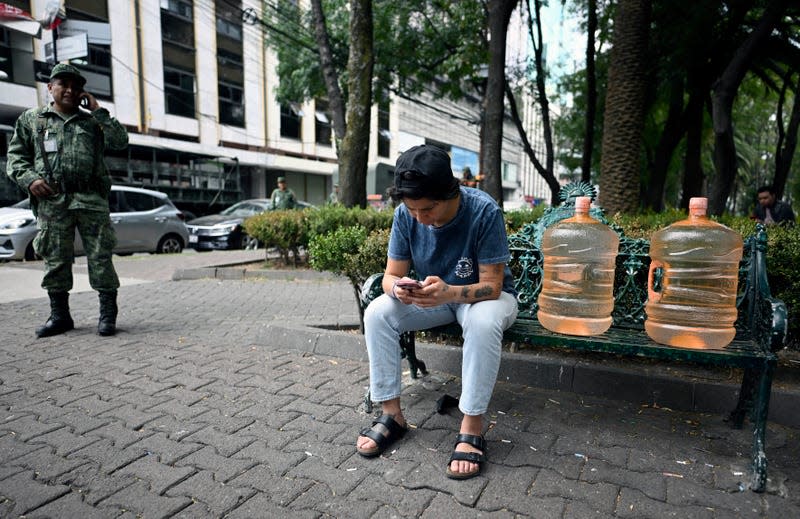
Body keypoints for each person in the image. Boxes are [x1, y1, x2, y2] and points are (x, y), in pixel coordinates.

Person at [356, 145, 518, 480]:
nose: (420, 218)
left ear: (451, 192)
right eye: (412, 209)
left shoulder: (483, 211)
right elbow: (389, 275)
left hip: (486, 299)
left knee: (483, 320)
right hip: (437, 299)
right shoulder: (407, 214)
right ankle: (392, 416)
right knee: (377, 312)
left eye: (427, 209)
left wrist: (450, 292)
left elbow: (493, 285)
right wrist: (398, 288)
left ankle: (472, 425)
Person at [6, 63, 129, 337]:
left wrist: (98, 111)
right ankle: (60, 316)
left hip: (90, 198)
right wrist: (30, 179)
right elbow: (15, 157)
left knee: (100, 257)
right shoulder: (32, 120)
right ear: (50, 87)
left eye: (76, 86)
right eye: (63, 84)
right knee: (55, 257)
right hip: (53, 199)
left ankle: (107, 316)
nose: (70, 90)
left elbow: (120, 141)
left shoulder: (91, 121)